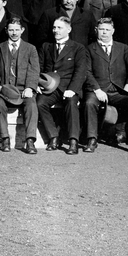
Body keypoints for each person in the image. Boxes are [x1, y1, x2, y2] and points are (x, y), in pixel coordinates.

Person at [82, 16, 128, 154]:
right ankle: (91, 139)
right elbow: (86, 71)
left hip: (118, 91)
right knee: (89, 103)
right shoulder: (89, 49)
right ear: (96, 30)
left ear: (113, 31)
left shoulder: (122, 48)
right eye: (101, 29)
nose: (104, 32)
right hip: (97, 90)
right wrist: (97, 89)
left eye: (107, 29)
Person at [36, 16, 88, 154]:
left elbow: (80, 71)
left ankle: (73, 141)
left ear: (69, 29)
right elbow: (39, 68)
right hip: (50, 87)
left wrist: (72, 89)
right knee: (40, 103)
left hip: (69, 87)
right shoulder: (46, 46)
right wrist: (38, 84)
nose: (56, 30)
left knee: (71, 104)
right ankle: (53, 137)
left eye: (59, 27)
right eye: (54, 27)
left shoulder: (78, 48)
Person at [0, 16, 41, 154]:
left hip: (23, 89)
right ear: (6, 30)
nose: (14, 33)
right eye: (11, 30)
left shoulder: (30, 49)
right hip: (4, 89)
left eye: (17, 30)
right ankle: (5, 139)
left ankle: (30, 140)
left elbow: (34, 70)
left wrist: (30, 88)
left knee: (31, 104)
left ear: (22, 30)